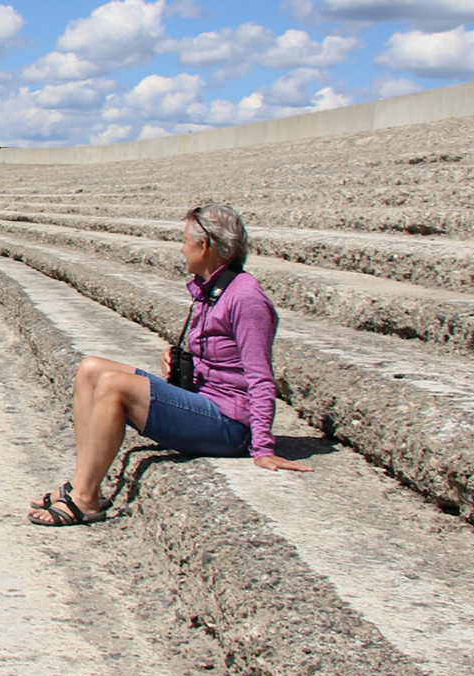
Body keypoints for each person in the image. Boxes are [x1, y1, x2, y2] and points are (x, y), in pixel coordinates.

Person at [28, 202, 310, 526]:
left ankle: (86, 499)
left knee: (113, 386)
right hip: (208, 401)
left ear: (204, 246)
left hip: (231, 426)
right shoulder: (216, 289)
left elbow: (260, 377)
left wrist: (263, 449)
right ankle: (81, 482)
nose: (181, 248)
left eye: (186, 241)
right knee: (91, 368)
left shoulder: (246, 298)